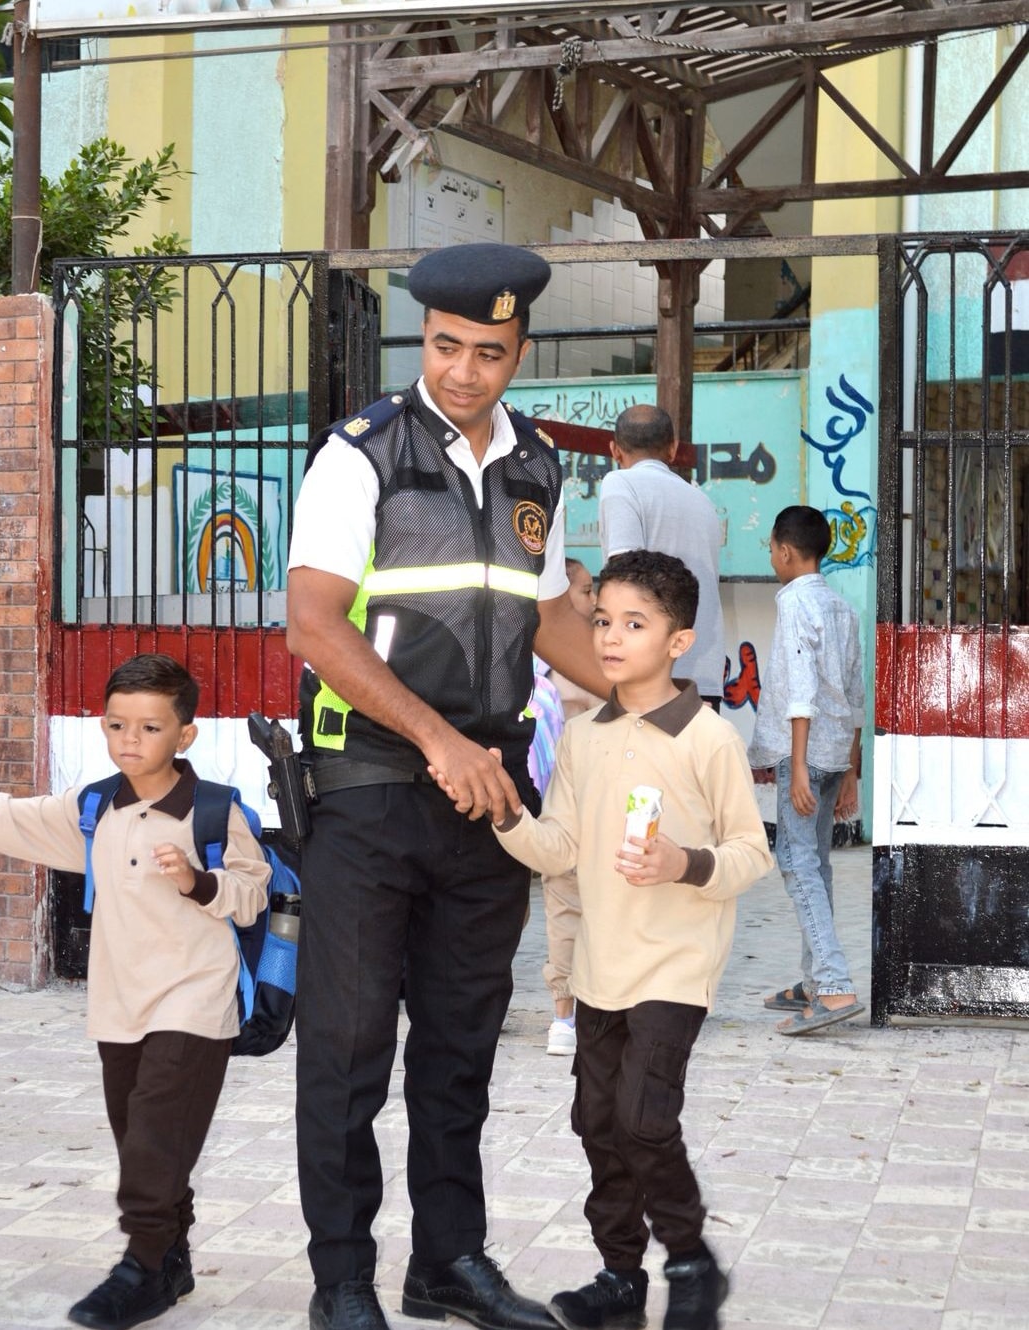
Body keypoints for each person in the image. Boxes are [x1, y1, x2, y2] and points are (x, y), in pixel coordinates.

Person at [286, 241, 609, 1330]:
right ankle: (341, 1279)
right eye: (445, 346)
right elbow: (313, 624)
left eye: (488, 352)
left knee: (461, 1046)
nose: (463, 371)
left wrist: (650, 700)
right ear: (421, 339)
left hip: (490, 800)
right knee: (346, 1049)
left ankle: (447, 1262)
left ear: (521, 351)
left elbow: (548, 618)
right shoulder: (360, 456)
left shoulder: (539, 468)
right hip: (371, 786)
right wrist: (436, 739)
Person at [437, 550, 772, 1330]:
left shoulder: (708, 738)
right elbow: (559, 850)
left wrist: (683, 863)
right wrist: (506, 811)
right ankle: (621, 1277)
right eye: (602, 621)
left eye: (634, 624)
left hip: (676, 967)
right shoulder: (583, 737)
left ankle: (690, 1262)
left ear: (679, 641)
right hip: (599, 968)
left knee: (644, 1118)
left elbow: (751, 853)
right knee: (598, 1122)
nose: (612, 637)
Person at [0, 653, 271, 1330]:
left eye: (150, 728)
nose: (130, 740)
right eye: (116, 725)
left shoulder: (214, 810)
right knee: (142, 1139)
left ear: (184, 735)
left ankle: (140, 1268)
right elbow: (4, 818)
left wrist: (197, 880)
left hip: (195, 1000)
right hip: (117, 1005)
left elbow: (253, 895)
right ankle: (172, 1259)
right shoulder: (94, 807)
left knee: (155, 1140)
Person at [747, 505, 866, 1035]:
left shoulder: (796, 602)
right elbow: (856, 695)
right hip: (835, 752)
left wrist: (796, 766)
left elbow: (800, 688)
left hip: (807, 754)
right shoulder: (842, 607)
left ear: (786, 551)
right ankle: (816, 981)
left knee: (797, 864)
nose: (772, 558)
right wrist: (852, 770)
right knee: (816, 865)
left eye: (772, 549)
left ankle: (834, 985)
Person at [599, 405, 726, 710]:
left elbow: (625, 580)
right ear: (673, 449)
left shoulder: (619, 483)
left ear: (615, 450)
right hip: (704, 672)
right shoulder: (702, 500)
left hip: (651, 678)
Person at [541, 557, 603, 1056]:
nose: (594, 599)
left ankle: (565, 1014)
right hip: (587, 802)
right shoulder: (587, 660)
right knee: (581, 906)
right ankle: (574, 1012)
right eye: (585, 591)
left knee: (563, 908)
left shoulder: (533, 656)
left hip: (553, 805)